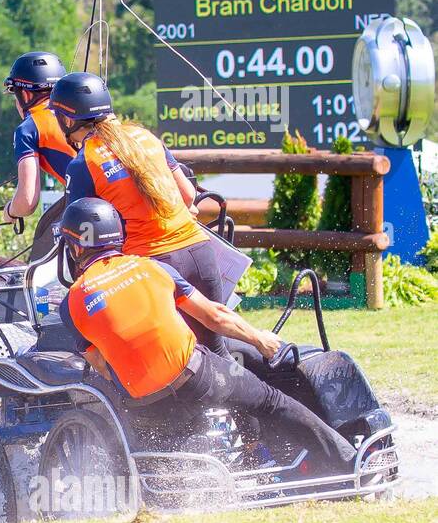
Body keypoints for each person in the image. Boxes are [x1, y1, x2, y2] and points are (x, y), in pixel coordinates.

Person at [57, 198, 357, 468]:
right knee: (271, 401)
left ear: (75, 247)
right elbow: (214, 316)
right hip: (197, 376)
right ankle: (348, 462)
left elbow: (101, 365)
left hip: (143, 402)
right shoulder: (153, 269)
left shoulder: (70, 303)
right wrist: (259, 339)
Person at [51, 71, 226, 354]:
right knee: (216, 352)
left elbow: (80, 236)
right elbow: (188, 196)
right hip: (200, 252)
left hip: (153, 264)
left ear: (68, 119)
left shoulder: (83, 163)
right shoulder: (145, 137)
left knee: (168, 357)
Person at [3, 51, 73, 245]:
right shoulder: (82, 112)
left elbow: (26, 202)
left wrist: (10, 211)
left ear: (24, 94)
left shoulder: (28, 128)